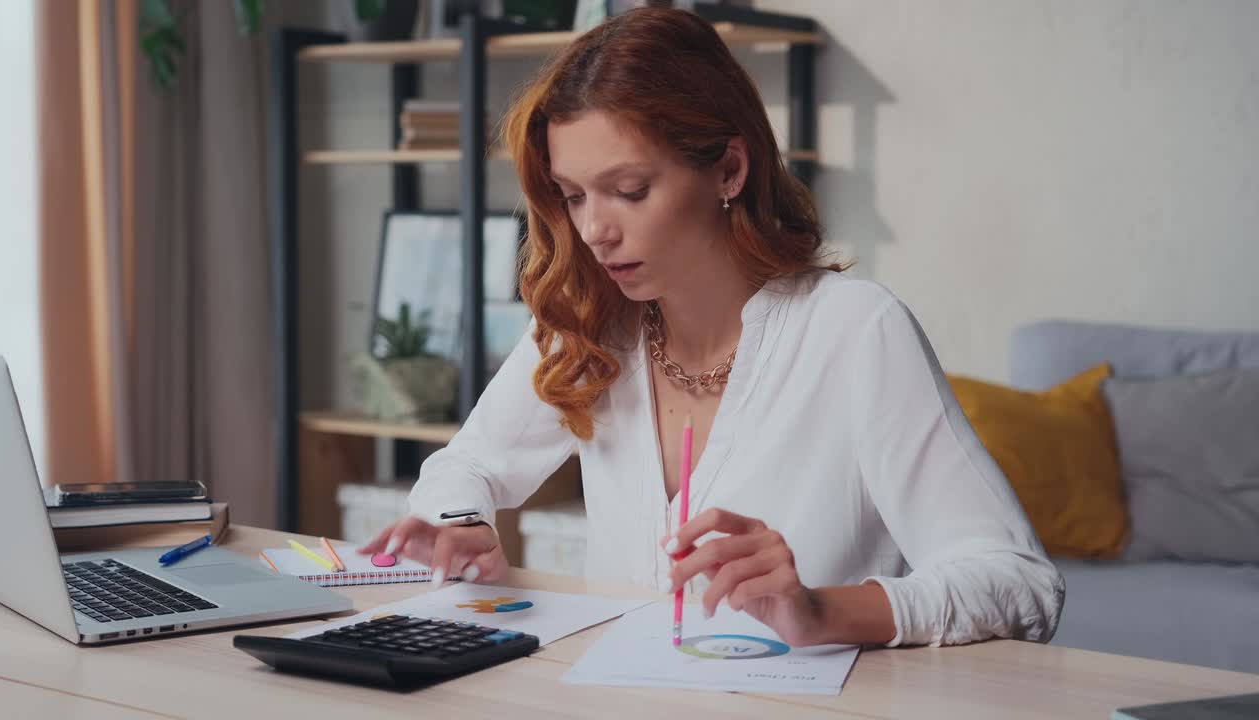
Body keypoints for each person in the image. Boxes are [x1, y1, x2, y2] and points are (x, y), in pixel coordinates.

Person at [358, 7, 1063, 649]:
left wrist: (820, 611)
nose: (596, 230)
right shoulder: (588, 330)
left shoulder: (856, 332)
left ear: (728, 168)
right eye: (573, 197)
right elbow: (464, 466)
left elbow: (1017, 581)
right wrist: (461, 526)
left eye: (630, 191)